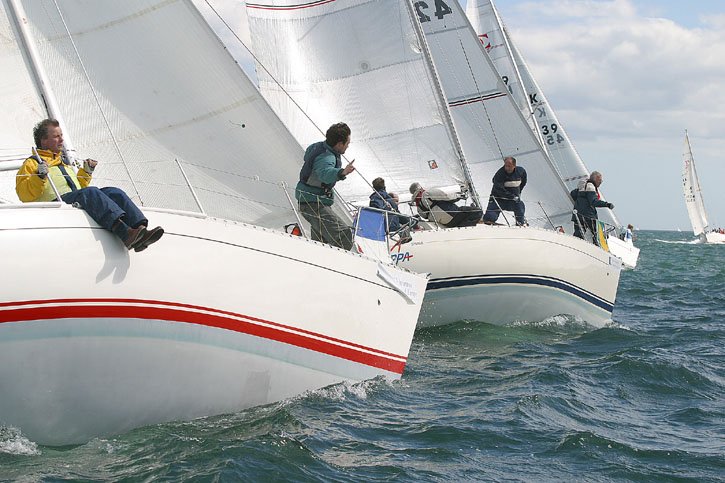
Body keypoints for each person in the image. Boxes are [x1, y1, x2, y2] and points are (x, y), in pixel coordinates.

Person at [16, 119, 163, 252]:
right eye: (56, 136)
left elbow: (78, 187)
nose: (61, 140)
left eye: (61, 135)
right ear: (44, 141)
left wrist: (86, 171)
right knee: (91, 192)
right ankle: (125, 233)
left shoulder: (63, 162)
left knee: (113, 192)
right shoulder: (32, 163)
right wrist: (39, 176)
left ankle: (141, 230)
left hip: (74, 198)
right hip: (56, 205)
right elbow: (24, 195)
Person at [295, 122, 356, 250]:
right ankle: (338, 267)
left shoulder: (317, 147)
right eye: (347, 144)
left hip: (309, 201)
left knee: (321, 242)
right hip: (314, 203)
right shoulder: (327, 157)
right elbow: (325, 174)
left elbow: (308, 156)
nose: (347, 146)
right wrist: (342, 172)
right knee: (343, 235)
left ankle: (319, 266)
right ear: (339, 144)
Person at [409, 182, 482, 228]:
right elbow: (446, 196)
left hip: (442, 222)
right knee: (477, 211)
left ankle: (461, 227)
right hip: (451, 214)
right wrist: (460, 195)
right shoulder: (426, 193)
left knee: (464, 212)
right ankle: (464, 229)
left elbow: (424, 216)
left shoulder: (418, 205)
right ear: (419, 187)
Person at [570, 170, 614, 245]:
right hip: (589, 217)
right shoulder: (590, 187)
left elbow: (573, 194)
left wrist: (579, 204)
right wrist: (607, 204)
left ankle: (574, 247)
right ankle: (598, 250)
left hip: (578, 216)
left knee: (578, 235)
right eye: (600, 180)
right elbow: (594, 202)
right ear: (595, 179)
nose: (601, 182)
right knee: (597, 234)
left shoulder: (582, 186)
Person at [482, 156, 527, 226]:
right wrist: (512, 196)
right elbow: (500, 190)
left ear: (514, 165)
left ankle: (520, 223)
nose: (507, 168)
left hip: (512, 200)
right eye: (505, 166)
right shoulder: (500, 174)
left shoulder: (521, 171)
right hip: (498, 199)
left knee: (520, 206)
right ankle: (486, 220)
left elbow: (523, 182)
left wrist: (518, 193)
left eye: (509, 166)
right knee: (490, 217)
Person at [369, 177, 413, 242]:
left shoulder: (373, 201)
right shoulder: (390, 201)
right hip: (392, 228)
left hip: (378, 229)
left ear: (373, 188)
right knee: (406, 225)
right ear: (384, 187)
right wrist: (411, 221)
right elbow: (399, 215)